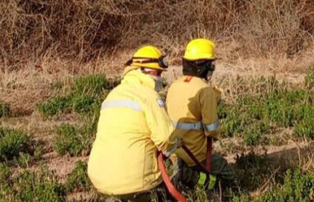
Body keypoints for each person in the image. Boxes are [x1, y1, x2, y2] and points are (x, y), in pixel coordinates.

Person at [88, 46, 178, 202]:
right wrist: (173, 151)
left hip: (100, 181)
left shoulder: (113, 94)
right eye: (157, 72)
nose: (160, 77)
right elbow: (165, 137)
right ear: (142, 70)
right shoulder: (149, 95)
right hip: (137, 183)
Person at [166, 38, 236, 191]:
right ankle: (191, 178)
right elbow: (212, 130)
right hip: (195, 155)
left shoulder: (174, 86)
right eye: (210, 64)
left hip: (174, 152)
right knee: (228, 173)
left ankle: (185, 175)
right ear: (202, 66)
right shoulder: (205, 91)